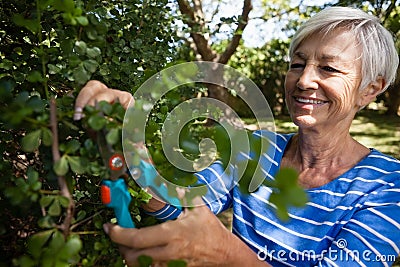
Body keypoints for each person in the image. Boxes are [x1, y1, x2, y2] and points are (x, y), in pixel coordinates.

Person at [74, 6, 400, 267]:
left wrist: (227, 255)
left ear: (370, 89)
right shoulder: (258, 149)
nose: (304, 81)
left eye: (328, 69)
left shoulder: (389, 186)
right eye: (298, 64)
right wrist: (127, 134)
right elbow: (176, 208)